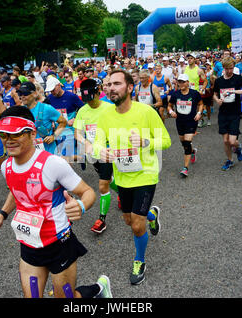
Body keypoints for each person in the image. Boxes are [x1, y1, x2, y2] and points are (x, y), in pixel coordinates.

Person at [0, 106, 112, 298]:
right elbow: (17, 191)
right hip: (29, 245)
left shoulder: (53, 164)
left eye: (16, 134)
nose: (9, 141)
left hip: (58, 244)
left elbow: (88, 192)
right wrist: (1, 216)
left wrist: (81, 206)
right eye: (3, 135)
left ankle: (98, 290)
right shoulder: (6, 166)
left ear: (32, 133)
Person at [93, 69, 171, 285]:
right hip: (123, 176)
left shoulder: (146, 112)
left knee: (137, 226)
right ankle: (152, 215)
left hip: (146, 175)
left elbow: (166, 140)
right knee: (129, 220)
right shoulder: (105, 116)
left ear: (129, 87)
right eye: (108, 84)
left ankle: (139, 261)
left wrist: (146, 142)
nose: (111, 88)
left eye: (116, 84)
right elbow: (98, 142)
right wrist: (101, 151)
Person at [73, 79, 119, 234]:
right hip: (92, 152)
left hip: (107, 151)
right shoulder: (83, 111)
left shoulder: (110, 108)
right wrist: (85, 142)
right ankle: (122, 194)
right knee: (109, 180)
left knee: (102, 186)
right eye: (87, 100)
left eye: (92, 98)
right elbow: (77, 133)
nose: (90, 103)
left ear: (99, 92)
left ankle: (102, 220)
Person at [213, 57, 242, 171]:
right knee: (225, 141)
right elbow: (214, 94)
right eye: (227, 69)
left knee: (232, 141)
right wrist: (217, 100)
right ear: (223, 68)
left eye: (231, 68)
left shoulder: (238, 78)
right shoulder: (219, 81)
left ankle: (238, 148)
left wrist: (235, 91)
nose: (229, 71)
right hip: (223, 113)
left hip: (234, 113)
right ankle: (230, 160)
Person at [168, 74, 203, 178]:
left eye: (183, 82)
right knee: (183, 143)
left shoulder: (194, 93)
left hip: (191, 121)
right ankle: (193, 151)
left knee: (187, 143)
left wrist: (199, 113)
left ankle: (185, 168)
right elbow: (170, 105)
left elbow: (201, 104)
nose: (181, 84)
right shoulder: (175, 94)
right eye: (179, 82)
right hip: (180, 121)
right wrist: (171, 111)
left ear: (188, 82)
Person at [18, 81, 67, 155]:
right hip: (30, 153)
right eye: (20, 94)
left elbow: (63, 122)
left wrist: (54, 136)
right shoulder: (20, 111)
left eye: (25, 93)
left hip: (48, 152)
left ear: (34, 94)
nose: (22, 96)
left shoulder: (46, 108)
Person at [45, 77, 84, 160]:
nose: (52, 92)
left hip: (70, 131)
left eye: (53, 89)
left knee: (66, 157)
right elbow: (47, 112)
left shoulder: (71, 96)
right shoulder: (49, 98)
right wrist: (51, 121)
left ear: (59, 85)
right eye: (50, 91)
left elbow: (83, 109)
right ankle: (80, 158)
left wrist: (75, 118)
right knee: (60, 156)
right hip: (57, 131)